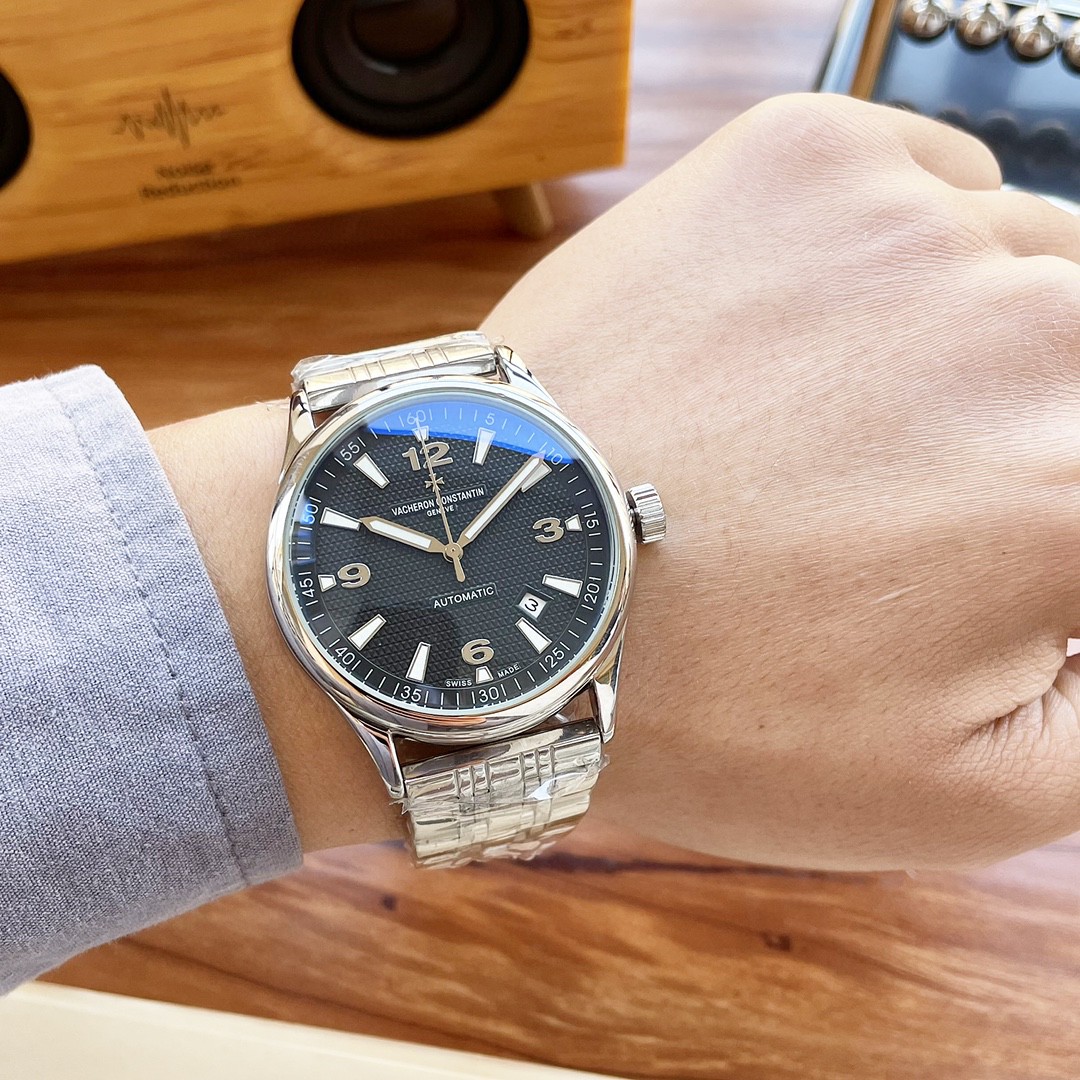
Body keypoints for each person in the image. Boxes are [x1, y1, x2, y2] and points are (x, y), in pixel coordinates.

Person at [4, 94, 1080, 991]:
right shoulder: (349, 539)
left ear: (629, 517)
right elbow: (293, 553)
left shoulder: (575, 531)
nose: (455, 558)